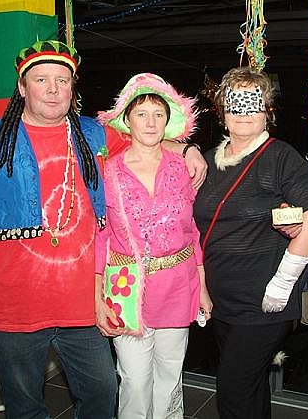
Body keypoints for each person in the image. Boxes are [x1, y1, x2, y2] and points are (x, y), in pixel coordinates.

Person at [0, 40, 207, 419]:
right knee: (24, 407)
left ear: (72, 89)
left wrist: (187, 148)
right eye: (41, 80)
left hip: (85, 304)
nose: (53, 89)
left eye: (62, 81)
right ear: (22, 88)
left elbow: (146, 138)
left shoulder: (95, 136)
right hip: (12, 304)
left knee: (102, 395)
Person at [193, 66, 308, 419]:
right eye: (235, 105)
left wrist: (283, 282)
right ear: (222, 112)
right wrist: (200, 287)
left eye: (253, 104)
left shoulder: (281, 157)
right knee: (250, 390)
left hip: (263, 302)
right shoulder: (207, 161)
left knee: (233, 391)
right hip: (222, 299)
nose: (244, 113)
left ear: (267, 110)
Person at [94, 73, 213, 418]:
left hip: (178, 283)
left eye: (158, 114)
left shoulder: (183, 168)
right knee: (133, 379)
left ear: (167, 121)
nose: (150, 122)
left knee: (170, 376)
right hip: (125, 287)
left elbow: (191, 231)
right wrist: (97, 296)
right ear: (127, 120)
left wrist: (202, 287)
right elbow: (100, 237)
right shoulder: (107, 171)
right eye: (142, 114)